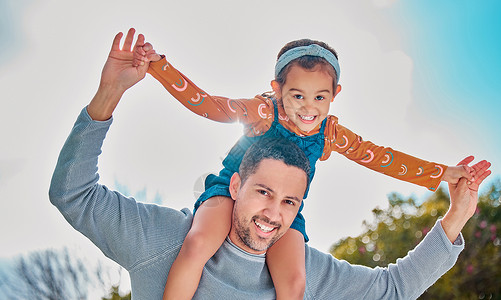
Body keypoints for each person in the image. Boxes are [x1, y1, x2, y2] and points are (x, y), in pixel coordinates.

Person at [49, 28, 491, 299]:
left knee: (293, 285)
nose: (307, 108)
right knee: (198, 246)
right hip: (221, 194)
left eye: (319, 97)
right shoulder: (260, 114)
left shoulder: (331, 136)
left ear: (335, 95)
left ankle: (278, 199)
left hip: (284, 226)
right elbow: (207, 104)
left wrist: (444, 179)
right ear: (278, 88)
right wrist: (158, 68)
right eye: (297, 95)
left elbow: (386, 161)